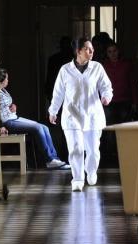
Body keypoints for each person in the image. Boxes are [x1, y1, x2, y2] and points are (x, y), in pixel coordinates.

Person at [48, 37, 113, 192]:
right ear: (78, 51)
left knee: (92, 150)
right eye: (88, 49)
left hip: (92, 116)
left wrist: (106, 97)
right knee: (76, 148)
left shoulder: (97, 67)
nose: (92, 51)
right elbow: (58, 93)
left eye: (92, 49)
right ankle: (77, 178)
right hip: (72, 115)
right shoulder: (65, 70)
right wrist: (53, 111)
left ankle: (91, 172)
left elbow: (106, 87)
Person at [0, 68, 70, 170]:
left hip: (14, 117)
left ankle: (54, 158)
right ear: (1, 80)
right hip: (8, 122)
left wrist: (13, 106)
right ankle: (49, 159)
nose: (8, 81)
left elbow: (5, 105)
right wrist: (1, 126)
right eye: (6, 79)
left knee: (44, 127)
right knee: (38, 128)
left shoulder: (3, 90)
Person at [102, 41, 138, 125]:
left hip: (124, 101)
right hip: (108, 102)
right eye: (109, 52)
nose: (112, 54)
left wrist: (135, 102)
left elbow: (132, 83)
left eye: (114, 51)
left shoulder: (127, 65)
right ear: (106, 53)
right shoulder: (104, 66)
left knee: (123, 127)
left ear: (118, 51)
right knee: (109, 127)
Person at [45, 36, 73, 102]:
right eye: (64, 45)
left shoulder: (74, 59)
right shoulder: (54, 59)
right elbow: (50, 77)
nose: (65, 47)